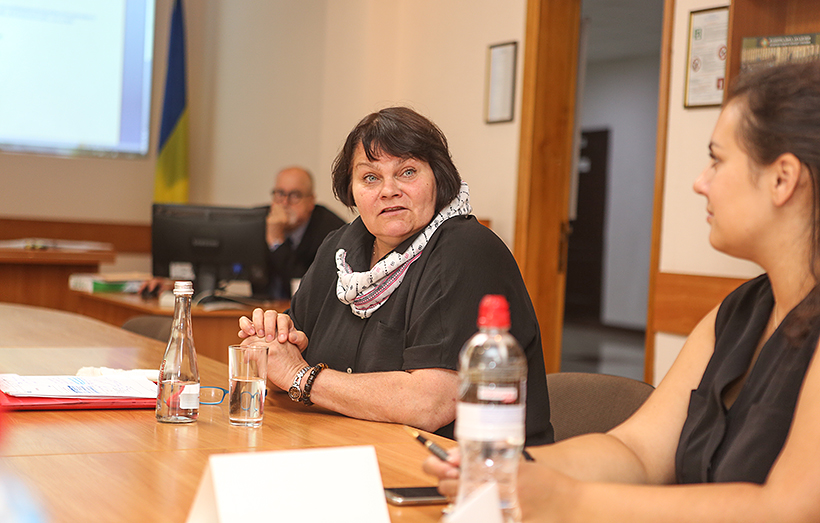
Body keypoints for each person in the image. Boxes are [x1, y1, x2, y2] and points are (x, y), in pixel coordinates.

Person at [424, 60, 820, 521]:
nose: (701, 182)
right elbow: (637, 452)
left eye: (717, 160)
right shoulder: (736, 314)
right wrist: (506, 469)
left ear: (782, 178)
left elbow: (787, 509)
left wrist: (568, 500)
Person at [238, 106, 553, 444]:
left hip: (466, 465)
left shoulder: (466, 250)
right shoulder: (340, 249)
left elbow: (430, 404)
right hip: (352, 449)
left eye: (407, 172)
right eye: (370, 178)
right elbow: (285, 370)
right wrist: (270, 347)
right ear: (351, 191)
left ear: (439, 178)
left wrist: (301, 376)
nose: (388, 190)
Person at [263, 166, 346, 299]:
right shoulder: (264, 220)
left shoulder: (332, 231)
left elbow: (305, 288)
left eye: (295, 195)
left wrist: (276, 242)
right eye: (280, 194)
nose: (284, 202)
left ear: (311, 201)